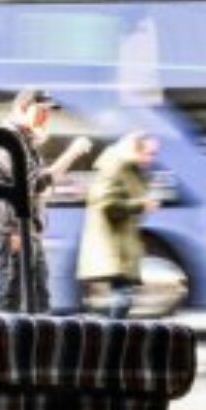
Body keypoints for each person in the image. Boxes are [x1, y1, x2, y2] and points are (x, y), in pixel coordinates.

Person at [0, 90, 93, 314]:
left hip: (28, 229)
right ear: (21, 109)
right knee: (11, 298)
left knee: (39, 297)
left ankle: (36, 334)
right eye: (41, 113)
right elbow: (33, 184)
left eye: (47, 114)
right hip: (14, 231)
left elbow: (35, 186)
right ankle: (0, 335)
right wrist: (72, 153)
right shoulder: (6, 140)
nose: (45, 119)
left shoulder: (23, 140)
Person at [78, 132, 160, 319]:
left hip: (123, 244)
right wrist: (141, 205)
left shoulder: (132, 169)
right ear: (135, 150)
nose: (151, 159)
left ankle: (112, 332)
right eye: (149, 153)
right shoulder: (115, 166)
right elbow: (107, 204)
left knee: (123, 297)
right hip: (115, 245)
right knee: (123, 297)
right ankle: (111, 334)